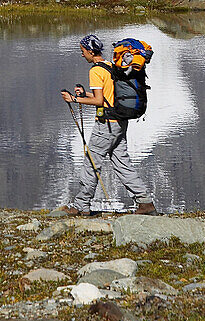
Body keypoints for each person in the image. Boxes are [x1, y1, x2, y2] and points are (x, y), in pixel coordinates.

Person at [60, 33, 157, 216]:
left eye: (83, 51)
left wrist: (74, 99)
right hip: (119, 122)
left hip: (106, 126)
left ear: (90, 51)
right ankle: (145, 203)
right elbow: (108, 97)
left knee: (91, 164)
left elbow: (98, 101)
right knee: (122, 164)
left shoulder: (95, 71)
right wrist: (84, 95)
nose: (82, 55)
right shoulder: (111, 66)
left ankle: (81, 206)